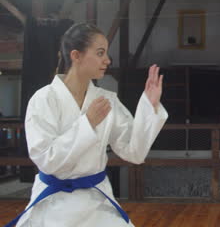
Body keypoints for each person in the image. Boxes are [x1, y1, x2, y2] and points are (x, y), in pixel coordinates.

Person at [6, 23, 168, 227]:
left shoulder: (106, 100)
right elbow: (46, 159)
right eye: (100, 53)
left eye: (106, 53)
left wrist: (149, 107)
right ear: (76, 55)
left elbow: (133, 152)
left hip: (96, 202)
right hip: (54, 203)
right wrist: (87, 124)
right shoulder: (44, 100)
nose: (107, 60)